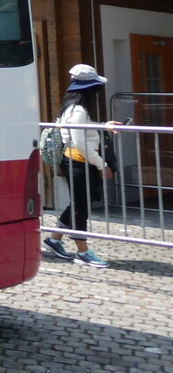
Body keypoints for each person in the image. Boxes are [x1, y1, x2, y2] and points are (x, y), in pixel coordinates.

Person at [42, 64, 120, 268]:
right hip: (77, 162)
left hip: (78, 161)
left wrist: (104, 126)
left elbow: (83, 132)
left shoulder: (74, 107)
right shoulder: (78, 109)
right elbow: (79, 141)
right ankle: (83, 252)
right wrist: (101, 164)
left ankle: (54, 239)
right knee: (80, 208)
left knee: (78, 203)